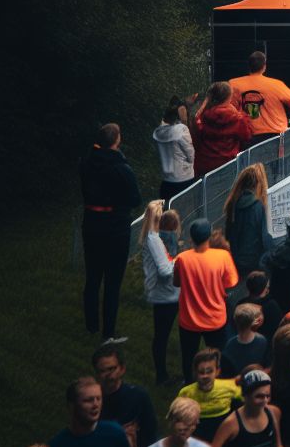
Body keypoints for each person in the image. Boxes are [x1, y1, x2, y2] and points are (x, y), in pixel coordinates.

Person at [80, 123, 142, 342]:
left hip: (91, 223)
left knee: (93, 277)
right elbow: (135, 198)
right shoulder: (121, 168)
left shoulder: (87, 163)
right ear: (116, 142)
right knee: (113, 281)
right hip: (115, 227)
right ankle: (108, 332)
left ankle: (91, 325)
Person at [51, 377, 134, 447]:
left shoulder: (114, 432)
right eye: (88, 400)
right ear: (72, 406)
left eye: (98, 399)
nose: (96, 405)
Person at [173, 219, 238, 363]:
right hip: (215, 319)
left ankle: (189, 381)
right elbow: (231, 282)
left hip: (189, 319)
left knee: (188, 357)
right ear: (209, 236)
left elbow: (176, 283)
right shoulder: (222, 256)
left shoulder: (182, 259)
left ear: (191, 237)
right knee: (218, 356)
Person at [210, 371, 284, 447]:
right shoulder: (231, 425)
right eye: (259, 396)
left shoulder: (272, 412)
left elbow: (278, 444)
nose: (265, 401)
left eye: (268, 396)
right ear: (246, 396)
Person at [137, 203, 182, 383]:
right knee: (162, 336)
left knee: (161, 335)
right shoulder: (154, 239)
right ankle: (162, 376)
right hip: (165, 295)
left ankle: (162, 374)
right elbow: (164, 269)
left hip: (165, 293)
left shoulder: (152, 238)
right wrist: (180, 261)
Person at [91, 345, 158, 447]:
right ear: (97, 373)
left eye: (112, 369)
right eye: (102, 371)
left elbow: (150, 433)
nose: (108, 375)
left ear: (122, 369)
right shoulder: (91, 401)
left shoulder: (138, 396)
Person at [229, 51, 290, 144]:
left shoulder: (234, 84)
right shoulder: (276, 84)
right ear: (264, 66)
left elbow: (230, 108)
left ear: (249, 66)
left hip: (248, 135)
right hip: (275, 135)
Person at [174, 348, 238, 443]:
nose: (205, 376)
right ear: (195, 373)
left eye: (209, 371)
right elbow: (177, 421)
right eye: (201, 372)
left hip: (224, 436)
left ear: (217, 371)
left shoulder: (229, 387)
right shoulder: (186, 393)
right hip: (197, 437)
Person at [153, 98, 197, 204]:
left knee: (167, 214)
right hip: (184, 179)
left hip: (167, 181)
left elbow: (164, 124)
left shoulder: (157, 133)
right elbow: (191, 156)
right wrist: (185, 121)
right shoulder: (182, 130)